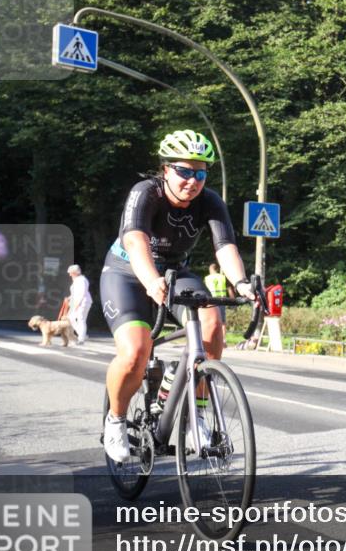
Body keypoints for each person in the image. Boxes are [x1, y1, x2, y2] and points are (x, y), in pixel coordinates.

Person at [99, 129, 256, 463]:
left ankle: (196, 413)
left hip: (174, 272)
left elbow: (224, 246)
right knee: (136, 351)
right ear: (166, 169)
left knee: (212, 325)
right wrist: (150, 279)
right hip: (127, 272)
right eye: (184, 171)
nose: (192, 181)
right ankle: (115, 420)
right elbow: (135, 241)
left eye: (200, 174)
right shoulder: (146, 192)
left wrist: (242, 283)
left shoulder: (209, 201)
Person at [203, 263, 234, 341]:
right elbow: (229, 289)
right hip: (221, 300)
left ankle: (210, 339)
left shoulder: (207, 278)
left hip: (210, 301)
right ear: (217, 269)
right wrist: (233, 301)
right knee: (222, 321)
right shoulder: (222, 277)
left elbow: (203, 290)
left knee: (210, 320)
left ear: (210, 269)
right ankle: (223, 340)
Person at [67, 264, 92, 345]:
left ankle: (81, 339)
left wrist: (77, 304)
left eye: (70, 273)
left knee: (81, 319)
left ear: (75, 272)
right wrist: (69, 298)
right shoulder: (77, 280)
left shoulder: (82, 280)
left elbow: (82, 293)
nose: (70, 275)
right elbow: (75, 293)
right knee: (71, 318)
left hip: (83, 302)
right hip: (78, 302)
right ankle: (82, 334)